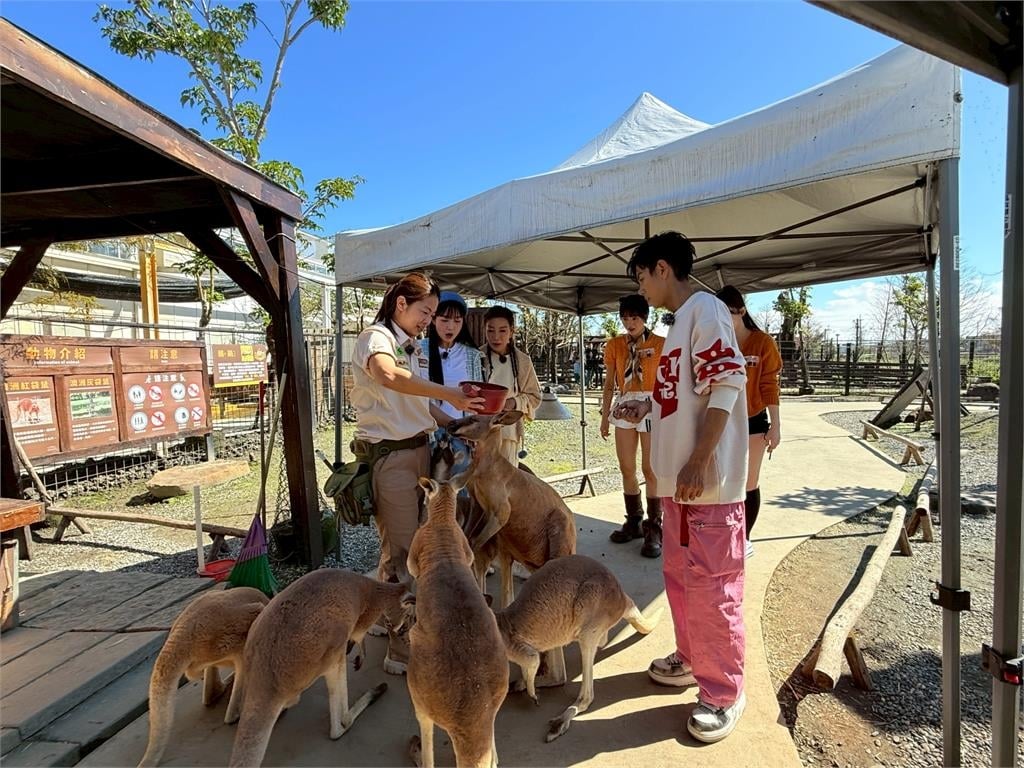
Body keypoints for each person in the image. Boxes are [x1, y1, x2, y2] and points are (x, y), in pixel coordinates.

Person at [613, 231, 749, 744]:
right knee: (681, 578)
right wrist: (647, 405)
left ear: (662, 268)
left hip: (707, 483)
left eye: (642, 277)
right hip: (679, 485)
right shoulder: (680, 324)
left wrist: (699, 458)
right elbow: (686, 393)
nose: (641, 289)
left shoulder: (707, 311)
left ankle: (724, 691)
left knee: (714, 588)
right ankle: (693, 659)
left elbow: (726, 384)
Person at [350, 272, 484, 675]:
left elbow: (416, 405)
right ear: (401, 304)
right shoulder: (376, 339)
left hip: (419, 451)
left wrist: (454, 423)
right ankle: (401, 649)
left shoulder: (408, 345)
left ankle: (380, 617)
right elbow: (389, 377)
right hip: (391, 458)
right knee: (407, 553)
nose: (429, 320)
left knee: (401, 545)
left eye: (433, 314)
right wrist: (450, 393)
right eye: (425, 312)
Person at [716, 285, 782, 558]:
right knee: (723, 482)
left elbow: (769, 385)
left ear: (741, 311)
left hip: (753, 419)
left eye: (728, 314)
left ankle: (745, 537)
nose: (724, 321)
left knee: (748, 482)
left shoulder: (762, 342)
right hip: (722, 421)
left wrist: (775, 425)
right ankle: (724, 534)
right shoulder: (718, 342)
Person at [600, 294, 665, 557]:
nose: (629, 323)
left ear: (645, 318)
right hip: (624, 403)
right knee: (626, 466)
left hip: (651, 404)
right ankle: (634, 521)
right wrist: (605, 416)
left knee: (650, 468)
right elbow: (609, 382)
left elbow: (666, 381)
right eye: (625, 318)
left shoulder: (661, 344)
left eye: (634, 317)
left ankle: (655, 528)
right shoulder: (614, 345)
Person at [480, 306, 541, 466]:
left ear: (512, 331)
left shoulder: (522, 361)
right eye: (490, 331)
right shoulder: (476, 357)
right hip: (480, 432)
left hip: (509, 433)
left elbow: (534, 397)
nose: (496, 337)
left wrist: (513, 403)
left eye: (502, 331)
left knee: (505, 484)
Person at [419, 290, 484, 420]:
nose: (451, 327)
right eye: (444, 320)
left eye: (457, 321)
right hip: (426, 431)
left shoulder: (473, 355)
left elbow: (477, 399)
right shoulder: (417, 350)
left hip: (460, 432)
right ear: (433, 319)